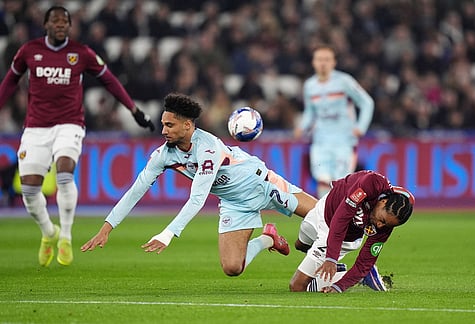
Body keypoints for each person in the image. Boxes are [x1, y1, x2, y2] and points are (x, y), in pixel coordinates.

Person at [81, 93, 318, 277]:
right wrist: (106, 229)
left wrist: (168, 233)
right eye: (163, 124)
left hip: (263, 184)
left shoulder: (208, 148)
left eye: (169, 125)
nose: (163, 131)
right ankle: (269, 238)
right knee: (233, 268)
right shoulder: (164, 155)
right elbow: (135, 191)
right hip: (235, 203)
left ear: (187, 125)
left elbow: (197, 198)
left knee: (324, 216)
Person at [0, 6, 155, 267]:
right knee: (28, 189)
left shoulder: (80, 54)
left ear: (70, 26)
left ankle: (66, 237)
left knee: (63, 174)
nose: (60, 24)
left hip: (69, 124)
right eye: (55, 20)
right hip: (36, 127)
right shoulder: (29, 51)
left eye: (65, 21)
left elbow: (110, 81)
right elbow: (9, 83)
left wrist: (134, 109)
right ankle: (50, 233)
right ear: (46, 24)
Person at [289, 170, 414, 293]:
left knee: (297, 286)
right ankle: (338, 268)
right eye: (382, 220)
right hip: (323, 209)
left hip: (344, 239)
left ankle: (351, 276)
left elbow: (365, 261)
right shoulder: (371, 183)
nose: (380, 225)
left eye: (386, 225)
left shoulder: (386, 224)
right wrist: (331, 258)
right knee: (300, 245)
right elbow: (341, 219)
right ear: (383, 202)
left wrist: (339, 286)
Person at [293, 44, 374, 198]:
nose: (323, 63)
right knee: (323, 180)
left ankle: (340, 218)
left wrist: (361, 127)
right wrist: (302, 127)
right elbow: (310, 111)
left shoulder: (344, 81)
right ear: (313, 62)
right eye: (319, 59)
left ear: (333, 63)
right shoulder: (310, 86)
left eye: (327, 59)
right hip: (321, 140)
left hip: (344, 140)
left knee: (340, 182)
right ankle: (324, 218)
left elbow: (366, 102)